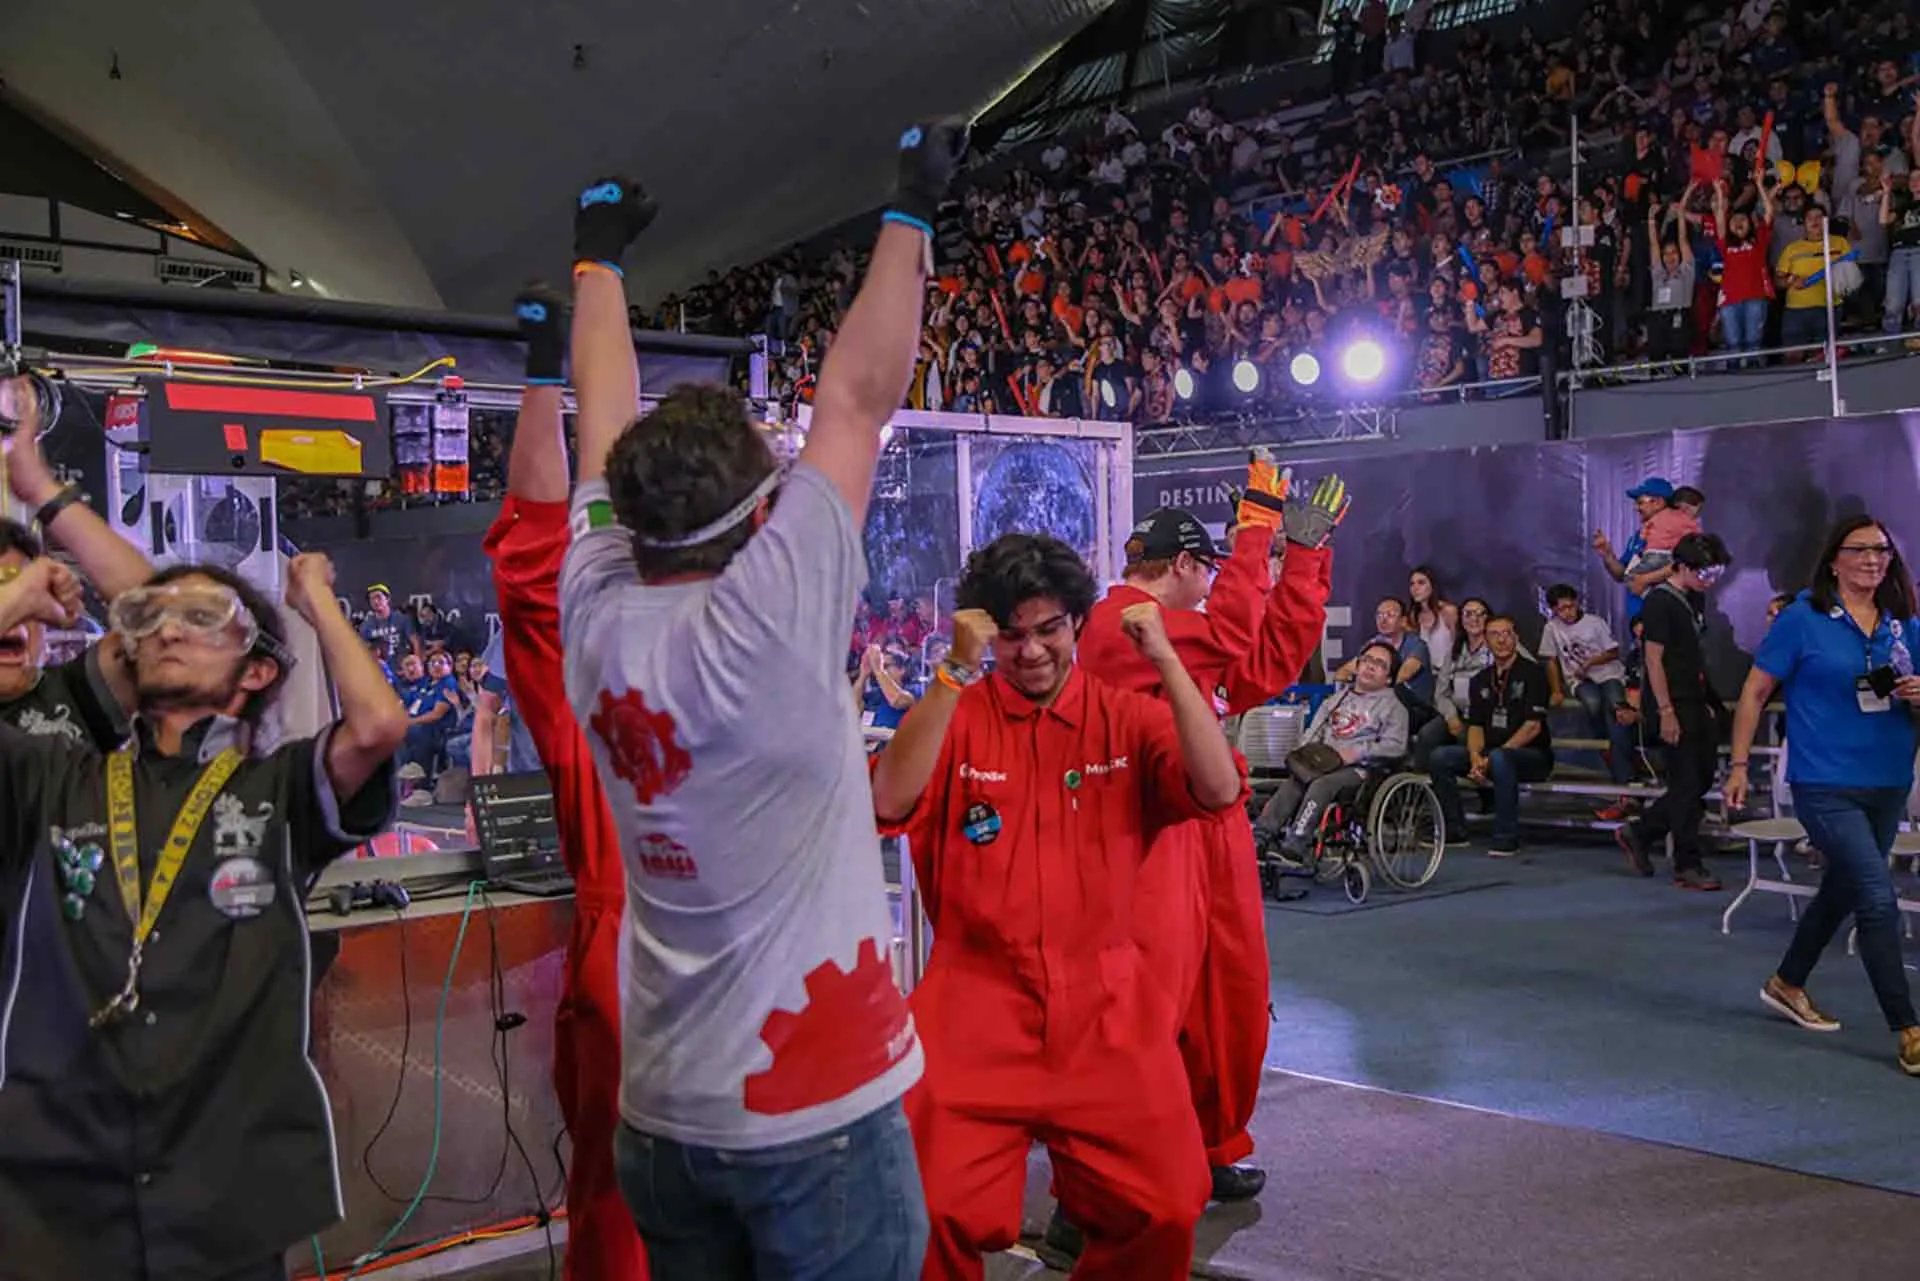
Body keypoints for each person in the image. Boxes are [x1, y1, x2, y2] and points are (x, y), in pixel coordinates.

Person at [558, 121, 966, 1277]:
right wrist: (913, 209)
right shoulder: (771, 620)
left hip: (666, 1120)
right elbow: (857, 396)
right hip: (814, 1120)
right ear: (754, 523)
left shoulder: (594, 601)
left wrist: (597, 257)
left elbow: (599, 419)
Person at [0, 551, 406, 1280]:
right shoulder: (58, 777)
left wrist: (315, 597)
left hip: (223, 1186)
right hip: (62, 1186)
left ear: (255, 670)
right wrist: (22, 594)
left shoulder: (274, 792)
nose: (169, 632)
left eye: (201, 619)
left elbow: (377, 725)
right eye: (151, 620)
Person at [869, 533, 1244, 1281]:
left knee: (1170, 1204)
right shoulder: (961, 713)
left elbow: (1220, 789)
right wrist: (951, 670)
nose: (1031, 650)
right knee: (919, 1206)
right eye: (1011, 634)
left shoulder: (1123, 719)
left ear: (1077, 621)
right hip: (976, 1002)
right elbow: (887, 798)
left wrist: (1167, 660)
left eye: (1048, 629)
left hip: (1106, 1007)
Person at [1069, 470, 1342, 1218]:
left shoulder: (1184, 640)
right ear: (1187, 566)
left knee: (1228, 998)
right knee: (1141, 1010)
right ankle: (1090, 1187)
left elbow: (1267, 659)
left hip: (1207, 824)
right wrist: (1256, 528)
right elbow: (1232, 633)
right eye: (1211, 570)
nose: (1215, 584)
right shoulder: (1121, 619)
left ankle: (1207, 1145)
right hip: (1145, 832)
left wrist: (1305, 561)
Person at [482, 284, 649, 1279]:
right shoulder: (742, 668)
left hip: (630, 945)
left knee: (620, 1201)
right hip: (718, 960)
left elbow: (556, 519)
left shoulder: (596, 684)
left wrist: (590, 292)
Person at [1725, 516, 1920, 1076]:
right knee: (1876, 896)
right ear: (1833, 559)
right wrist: (1740, 766)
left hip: (1888, 779)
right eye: (1859, 550)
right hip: (1823, 782)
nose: (1872, 559)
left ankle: (1787, 982)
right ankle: (1908, 1029)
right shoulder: (1802, 619)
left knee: (1842, 887)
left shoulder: (1903, 624)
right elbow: (1754, 692)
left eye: (1882, 550)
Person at [0, 372, 157, 749]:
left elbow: (165, 617)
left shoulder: (74, 700)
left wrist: (41, 489)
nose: (24, 606)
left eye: (32, 596)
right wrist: (21, 593)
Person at [1616, 533, 1731, 891]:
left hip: (1696, 696)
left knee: (1701, 778)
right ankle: (1687, 863)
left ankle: (1640, 831)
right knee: (1683, 784)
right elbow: (1653, 659)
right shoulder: (1659, 603)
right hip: (1671, 701)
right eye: (1705, 572)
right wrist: (1665, 711)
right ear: (1682, 566)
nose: (1709, 579)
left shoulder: (1694, 596)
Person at [1252, 639, 1409, 859]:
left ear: (1389, 678)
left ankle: (1296, 842)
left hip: (1360, 771)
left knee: (1322, 784)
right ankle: (1260, 837)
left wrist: (1357, 752)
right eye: (1367, 660)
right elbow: (1312, 734)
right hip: (1324, 762)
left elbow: (1395, 746)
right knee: (1296, 780)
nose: (1370, 666)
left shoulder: (1394, 708)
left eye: (1380, 664)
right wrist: (1304, 756)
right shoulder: (1335, 700)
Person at [1427, 614, 1554, 856]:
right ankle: (1454, 830)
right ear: (1486, 640)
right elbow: (1475, 726)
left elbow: (1533, 727)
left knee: (1500, 759)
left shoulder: (1533, 674)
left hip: (1530, 755)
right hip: (1490, 752)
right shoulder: (1480, 680)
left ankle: (1506, 836)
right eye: (1495, 635)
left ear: (1516, 638)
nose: (1502, 640)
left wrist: (1495, 755)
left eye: (1507, 634)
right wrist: (1475, 757)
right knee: (1440, 757)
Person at [1540, 584, 1636, 791]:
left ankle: (1624, 773)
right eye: (1561, 609)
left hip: (1608, 673)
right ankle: (1609, 749)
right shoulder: (1551, 628)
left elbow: (1613, 651)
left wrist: (1591, 663)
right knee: (1593, 704)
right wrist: (1556, 689)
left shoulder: (1595, 623)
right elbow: (1550, 660)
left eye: (1570, 606)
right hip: (1579, 680)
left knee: (1616, 709)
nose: (1567, 612)